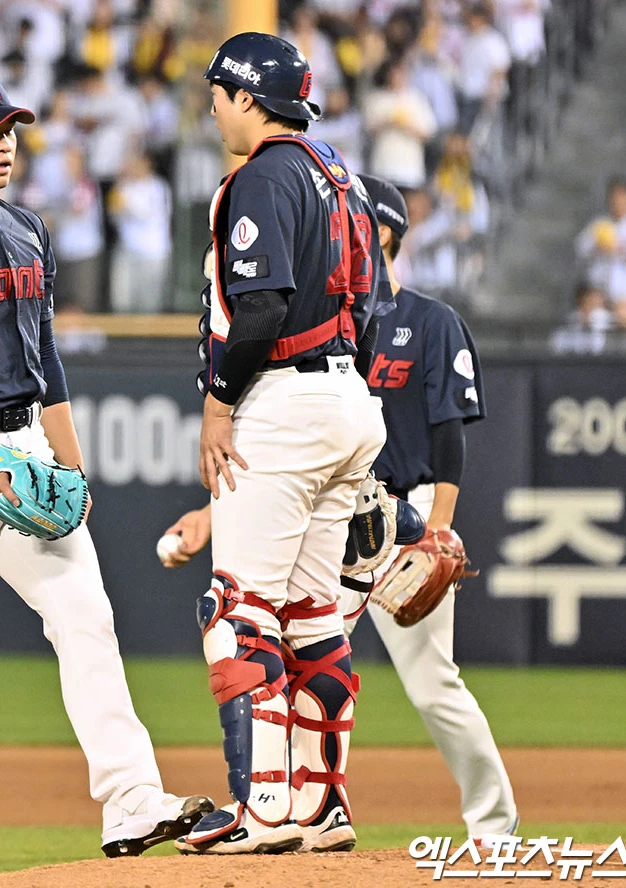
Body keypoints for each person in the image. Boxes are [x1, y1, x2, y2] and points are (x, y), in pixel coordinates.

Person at [0, 69, 211, 888]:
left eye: (10, 129)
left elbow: (43, 354)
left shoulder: (27, 228)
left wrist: (71, 462)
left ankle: (131, 800)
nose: (5, 143)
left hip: (24, 448)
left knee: (87, 617)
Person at [161, 175, 521, 847]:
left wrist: (438, 529)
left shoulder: (430, 321)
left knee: (430, 683)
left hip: (403, 516)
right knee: (304, 638)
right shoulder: (332, 315)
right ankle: (309, 803)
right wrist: (211, 517)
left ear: (379, 231)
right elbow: (285, 466)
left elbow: (449, 437)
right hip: (335, 504)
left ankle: (493, 823)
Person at [176, 33, 389, 855]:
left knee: (239, 610)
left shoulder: (264, 175)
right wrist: (339, 397)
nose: (215, 112)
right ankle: (320, 805)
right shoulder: (343, 177)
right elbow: (371, 310)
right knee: (312, 614)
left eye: (218, 96)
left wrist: (220, 404)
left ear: (246, 97)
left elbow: (261, 308)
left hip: (283, 397)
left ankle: (263, 807)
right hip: (348, 397)